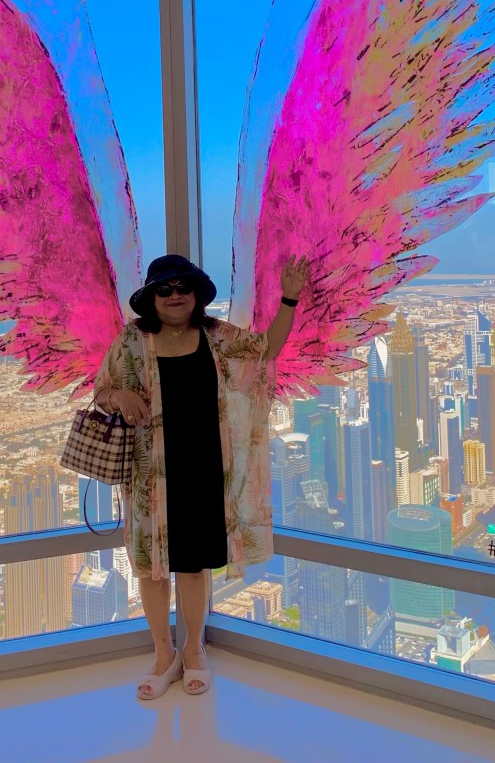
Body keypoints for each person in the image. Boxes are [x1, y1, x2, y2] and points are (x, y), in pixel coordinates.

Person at [94, 252, 309, 699]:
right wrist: (119, 397)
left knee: (193, 566)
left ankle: (194, 649)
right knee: (152, 569)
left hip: (206, 467)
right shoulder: (132, 341)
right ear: (151, 297)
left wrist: (289, 298)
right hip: (151, 475)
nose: (175, 295)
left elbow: (266, 349)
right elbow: (102, 392)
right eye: (164, 288)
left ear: (196, 294)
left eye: (183, 287)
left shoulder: (216, 336)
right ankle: (162, 653)